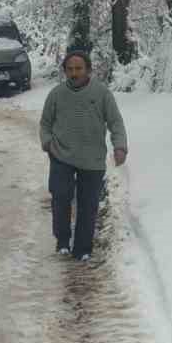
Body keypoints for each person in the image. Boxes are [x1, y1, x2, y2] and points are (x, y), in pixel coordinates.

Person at [39, 47, 128, 259]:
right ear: (65, 71)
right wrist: (47, 143)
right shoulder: (56, 94)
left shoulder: (102, 93)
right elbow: (45, 123)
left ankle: (83, 249)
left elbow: (115, 122)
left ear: (88, 70)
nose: (74, 73)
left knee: (88, 204)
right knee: (61, 197)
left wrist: (120, 146)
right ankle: (62, 240)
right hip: (61, 155)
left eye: (78, 68)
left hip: (92, 158)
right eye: (70, 69)